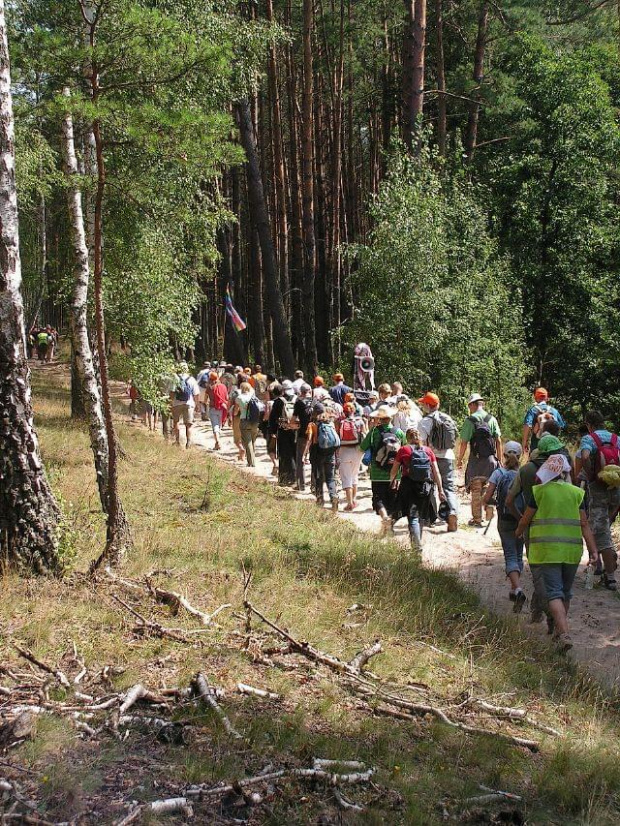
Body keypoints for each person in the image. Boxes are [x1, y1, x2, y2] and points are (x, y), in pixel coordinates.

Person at [515, 453, 599, 652]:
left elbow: (526, 519)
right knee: (566, 593)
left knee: (554, 592)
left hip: (547, 550)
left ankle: (563, 633)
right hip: (571, 551)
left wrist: (518, 532)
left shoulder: (539, 492)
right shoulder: (576, 493)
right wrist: (594, 551)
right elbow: (585, 524)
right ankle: (558, 632)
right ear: (566, 473)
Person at [506, 434, 573, 628]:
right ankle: (548, 613)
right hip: (564, 527)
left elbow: (509, 500)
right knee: (558, 575)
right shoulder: (564, 468)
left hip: (535, 530)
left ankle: (544, 611)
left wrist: (521, 520)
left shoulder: (526, 470)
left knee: (539, 573)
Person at [483, 442, 526, 611]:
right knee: (518, 553)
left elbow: (486, 499)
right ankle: (514, 589)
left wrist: (497, 504)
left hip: (505, 519)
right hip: (522, 519)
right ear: (520, 455)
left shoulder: (498, 473)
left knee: (509, 554)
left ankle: (517, 589)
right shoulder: (525, 473)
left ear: (505, 455)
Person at [580, 409, 620, 591]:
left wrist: (590, 474)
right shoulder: (615, 438)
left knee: (601, 532)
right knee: (605, 525)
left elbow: (585, 456)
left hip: (599, 489)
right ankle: (606, 568)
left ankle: (610, 577)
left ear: (589, 424)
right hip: (616, 488)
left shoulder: (589, 439)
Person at [390, 427, 445, 550]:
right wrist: (440, 490)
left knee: (412, 517)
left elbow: (394, 470)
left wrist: (392, 481)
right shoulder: (428, 451)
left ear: (407, 438)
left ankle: (417, 547)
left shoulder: (403, 450)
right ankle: (417, 543)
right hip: (426, 487)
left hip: (408, 486)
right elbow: (436, 472)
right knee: (420, 516)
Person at [457, 393, 502, 527]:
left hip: (475, 461)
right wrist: (499, 459)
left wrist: (460, 460)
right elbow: (498, 440)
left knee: (476, 489)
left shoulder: (470, 421)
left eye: (469, 405)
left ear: (473, 404)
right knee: (489, 487)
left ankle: (477, 519)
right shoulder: (492, 419)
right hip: (490, 460)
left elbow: (464, 442)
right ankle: (489, 510)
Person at [359, 406, 406, 534]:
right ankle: (389, 524)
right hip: (394, 473)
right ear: (391, 418)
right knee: (392, 499)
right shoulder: (399, 432)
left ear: (379, 418)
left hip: (376, 472)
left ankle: (384, 517)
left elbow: (362, 447)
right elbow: (405, 450)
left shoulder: (374, 432)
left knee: (378, 498)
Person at [417, 392, 459, 532]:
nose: (422, 406)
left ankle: (432, 517)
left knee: (429, 487)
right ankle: (452, 512)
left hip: (431, 457)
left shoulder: (425, 421)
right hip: (448, 456)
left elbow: (420, 442)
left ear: (428, 405)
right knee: (448, 487)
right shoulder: (447, 418)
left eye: (423, 404)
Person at [306, 407, 340, 510]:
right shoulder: (330, 423)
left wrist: (304, 455)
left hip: (318, 454)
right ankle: (333, 495)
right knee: (330, 478)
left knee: (319, 477)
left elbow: (309, 440)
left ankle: (320, 500)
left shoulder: (312, 424)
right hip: (330, 453)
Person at [337, 401, 366, 510]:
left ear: (344, 411)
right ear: (354, 410)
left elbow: (337, 436)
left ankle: (349, 503)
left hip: (344, 451)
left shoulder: (340, 422)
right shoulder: (360, 421)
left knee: (346, 478)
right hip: (357, 451)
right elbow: (365, 435)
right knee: (354, 476)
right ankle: (353, 500)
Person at [522, 387, 566, 455]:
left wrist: (524, 443)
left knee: (535, 464)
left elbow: (527, 425)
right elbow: (561, 426)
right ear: (546, 398)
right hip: (552, 447)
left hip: (537, 446)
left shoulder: (532, 410)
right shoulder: (554, 411)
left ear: (536, 397)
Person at [270, 381, 297, 486]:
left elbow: (273, 418)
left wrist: (273, 431)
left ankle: (284, 479)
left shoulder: (279, 401)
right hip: (295, 430)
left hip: (283, 431)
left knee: (284, 454)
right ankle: (294, 478)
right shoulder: (297, 399)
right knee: (294, 455)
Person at [170, 362, 200, 448]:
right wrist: (197, 404)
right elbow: (196, 393)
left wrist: (170, 403)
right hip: (189, 403)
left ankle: (177, 441)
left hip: (176, 403)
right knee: (188, 424)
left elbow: (172, 392)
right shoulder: (191, 379)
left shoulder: (175, 378)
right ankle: (189, 442)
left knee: (176, 422)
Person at [233, 381, 261, 467]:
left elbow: (235, 412)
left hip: (245, 420)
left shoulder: (239, 398)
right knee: (252, 441)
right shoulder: (254, 398)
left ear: (241, 388)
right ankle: (252, 458)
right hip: (255, 421)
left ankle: (251, 462)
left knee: (247, 442)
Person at [293, 384, 313, 491]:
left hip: (303, 434)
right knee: (314, 460)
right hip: (315, 434)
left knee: (300, 459)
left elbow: (293, 419)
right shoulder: (315, 402)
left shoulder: (299, 403)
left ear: (301, 392)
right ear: (310, 391)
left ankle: (301, 485)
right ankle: (314, 486)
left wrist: (294, 424)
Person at [206, 372, 229, 451]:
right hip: (222, 408)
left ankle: (217, 441)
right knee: (219, 426)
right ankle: (218, 440)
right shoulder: (223, 386)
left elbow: (206, 398)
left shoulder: (209, 387)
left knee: (215, 426)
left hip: (213, 408)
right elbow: (227, 397)